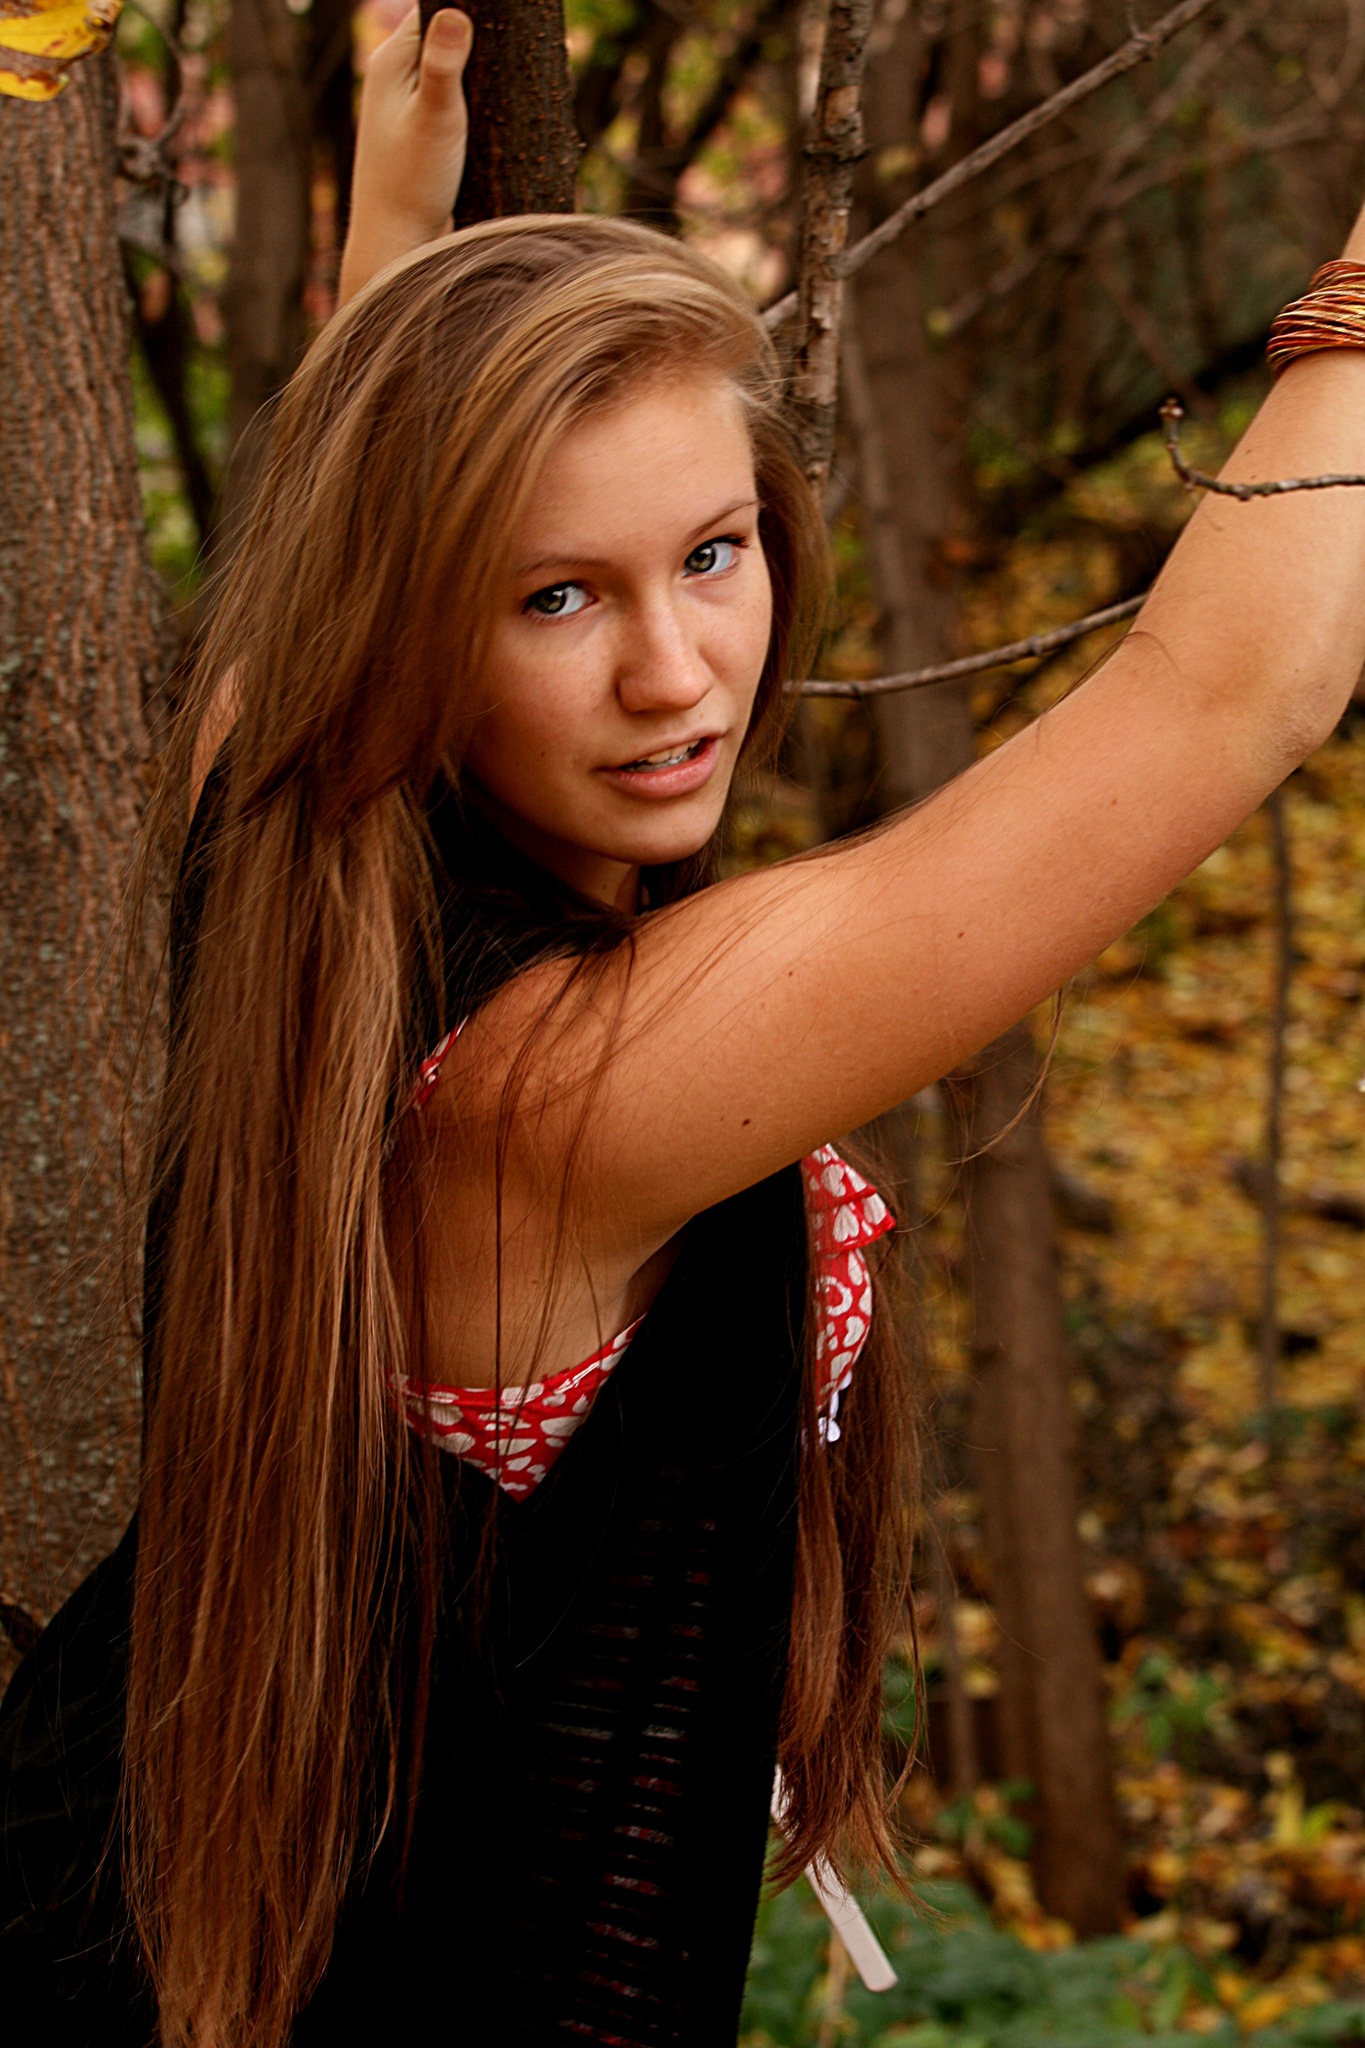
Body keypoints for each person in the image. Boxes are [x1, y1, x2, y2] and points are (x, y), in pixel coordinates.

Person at [7, 9, 1365, 2044]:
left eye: (711, 555)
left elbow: (316, 558)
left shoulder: (284, 864)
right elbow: (1223, 695)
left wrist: (395, 222)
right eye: (555, 598)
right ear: (408, 620)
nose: (675, 672)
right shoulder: (560, 1089)